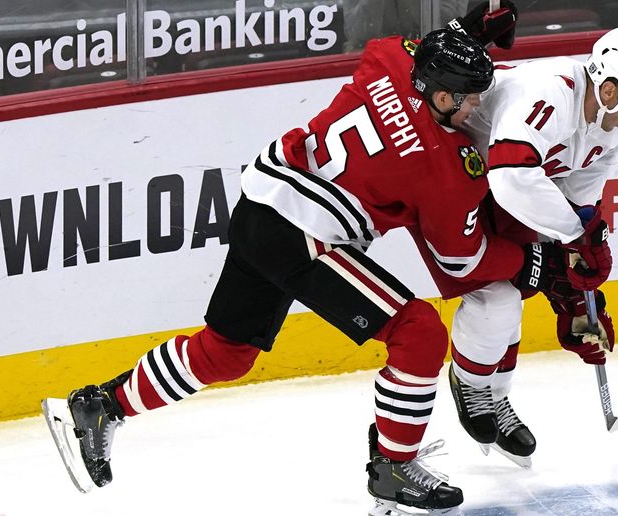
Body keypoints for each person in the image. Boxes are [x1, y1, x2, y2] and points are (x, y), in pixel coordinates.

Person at [41, 22, 571, 514]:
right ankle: (394, 464)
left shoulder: (388, 59)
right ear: (439, 95)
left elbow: (407, 45)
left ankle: (100, 404)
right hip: (302, 233)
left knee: (227, 352)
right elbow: (463, 258)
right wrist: (538, 263)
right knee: (419, 332)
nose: (477, 108)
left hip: (259, 202)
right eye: (470, 97)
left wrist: (468, 31)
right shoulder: (445, 167)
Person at [410, 26, 618, 467]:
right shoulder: (550, 93)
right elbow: (512, 178)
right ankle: (471, 385)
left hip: (488, 182)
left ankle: (496, 397)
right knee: (497, 298)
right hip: (442, 164)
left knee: (525, 284)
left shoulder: (612, 132)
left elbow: (576, 206)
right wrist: (572, 237)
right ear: (609, 89)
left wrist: (576, 293)